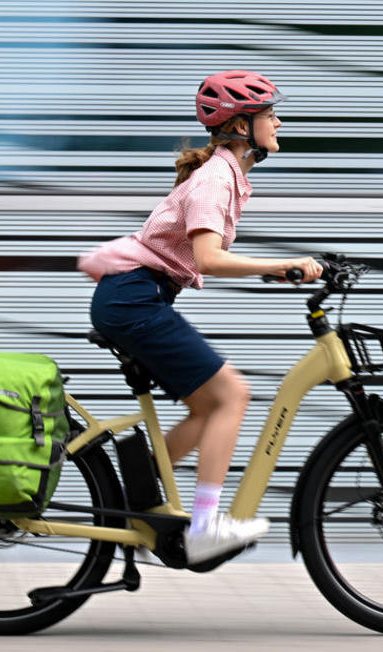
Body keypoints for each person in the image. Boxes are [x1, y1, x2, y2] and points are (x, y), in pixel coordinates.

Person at [77, 70, 322, 563]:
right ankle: (206, 526)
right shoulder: (215, 178)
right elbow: (208, 258)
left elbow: (200, 255)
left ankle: (138, 496)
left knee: (209, 406)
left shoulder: (226, 175)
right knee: (233, 393)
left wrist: (278, 271)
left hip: (138, 297)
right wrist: (282, 263)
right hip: (134, 300)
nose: (278, 122)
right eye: (269, 114)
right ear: (239, 126)